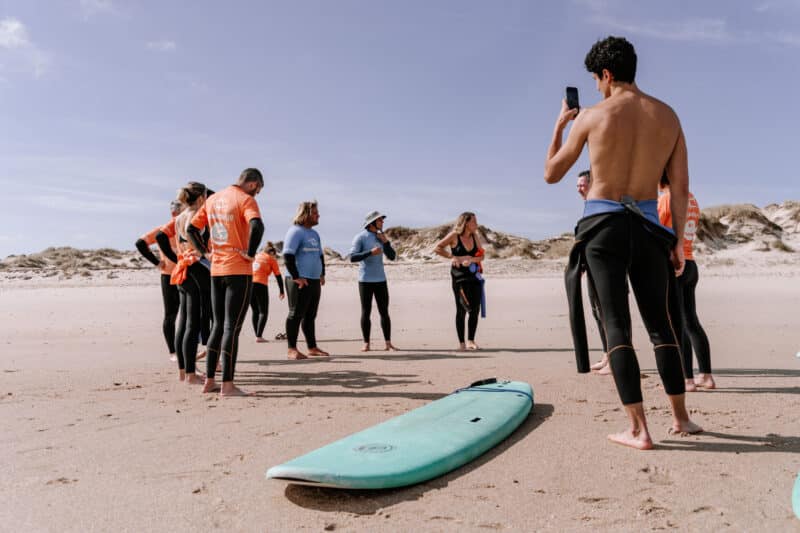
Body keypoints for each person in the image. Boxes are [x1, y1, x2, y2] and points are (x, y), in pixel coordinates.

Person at [545, 36, 701, 449]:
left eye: (596, 80)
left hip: (603, 228)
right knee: (662, 325)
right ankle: (681, 418)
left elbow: (551, 173)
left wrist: (560, 125)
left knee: (616, 325)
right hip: (650, 229)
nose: (597, 87)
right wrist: (677, 240)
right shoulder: (667, 116)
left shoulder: (592, 116)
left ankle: (638, 429)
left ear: (606, 74)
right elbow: (680, 187)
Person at [188, 169, 264, 397]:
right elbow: (257, 226)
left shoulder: (213, 199)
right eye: (259, 189)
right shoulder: (245, 199)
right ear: (253, 184)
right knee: (231, 328)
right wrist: (251, 253)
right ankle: (228, 385)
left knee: (218, 326)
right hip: (238, 270)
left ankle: (210, 381)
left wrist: (205, 252)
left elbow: (191, 229)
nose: (258, 194)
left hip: (216, 270)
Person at [658, 174, 715, 391]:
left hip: (675, 266)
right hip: (691, 263)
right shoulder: (691, 198)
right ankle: (706, 376)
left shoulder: (666, 198)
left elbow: (656, 230)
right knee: (691, 322)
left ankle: (686, 379)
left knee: (677, 324)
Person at [155, 183, 212, 385]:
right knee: (193, 323)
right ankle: (191, 374)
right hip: (197, 266)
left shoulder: (179, 217)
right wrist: (206, 253)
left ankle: (183, 371)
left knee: (184, 321)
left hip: (182, 268)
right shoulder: (197, 215)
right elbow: (196, 236)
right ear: (201, 198)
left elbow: (161, 236)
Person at [135, 199, 184, 361]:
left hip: (187, 275)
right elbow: (140, 243)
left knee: (189, 315)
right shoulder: (163, 230)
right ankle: (173, 352)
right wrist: (157, 262)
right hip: (169, 275)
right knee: (171, 314)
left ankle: (186, 349)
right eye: (182, 211)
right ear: (174, 213)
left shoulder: (189, 227)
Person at [282, 201, 329, 360]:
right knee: (295, 314)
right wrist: (296, 276)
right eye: (315, 213)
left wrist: (322, 273)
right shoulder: (295, 231)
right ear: (305, 214)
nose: (318, 215)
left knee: (310, 315)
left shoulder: (314, 234)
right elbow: (288, 255)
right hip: (298, 280)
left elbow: (320, 255)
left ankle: (312, 347)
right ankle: (291, 349)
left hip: (314, 279)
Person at [576, 170, 612, 375]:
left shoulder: (601, 206)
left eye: (582, 185)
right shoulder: (589, 207)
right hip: (591, 267)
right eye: (578, 186)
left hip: (606, 267)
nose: (579, 189)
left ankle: (615, 358)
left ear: (592, 184)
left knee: (608, 313)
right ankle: (607, 354)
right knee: (597, 312)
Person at [434, 212, 484, 351]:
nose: (476, 224)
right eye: (474, 221)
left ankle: (471, 341)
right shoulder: (454, 236)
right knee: (462, 309)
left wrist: (471, 259)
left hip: (474, 276)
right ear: (466, 223)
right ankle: (461, 343)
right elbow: (437, 248)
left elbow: (482, 256)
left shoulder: (475, 236)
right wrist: (452, 257)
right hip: (459, 278)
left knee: (475, 309)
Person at [349, 210, 398, 352]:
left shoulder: (381, 236)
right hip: (365, 280)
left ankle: (388, 343)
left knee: (384, 312)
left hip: (381, 279)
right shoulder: (360, 237)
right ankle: (366, 343)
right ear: (371, 223)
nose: (382, 222)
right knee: (366, 312)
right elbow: (352, 257)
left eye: (382, 220)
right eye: (380, 220)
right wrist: (370, 252)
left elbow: (392, 257)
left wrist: (386, 242)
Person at [250, 242, 285, 343]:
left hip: (250, 285)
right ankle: (259, 336)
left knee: (255, 311)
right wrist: (281, 291)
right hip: (261, 285)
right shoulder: (271, 259)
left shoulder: (256, 256)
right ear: (272, 253)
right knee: (263, 312)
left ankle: (257, 335)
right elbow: (278, 276)